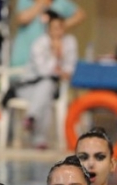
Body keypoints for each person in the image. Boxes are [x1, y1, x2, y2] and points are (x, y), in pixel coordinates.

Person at [9, 10, 77, 150]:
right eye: (55, 28)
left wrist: (61, 65)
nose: (58, 32)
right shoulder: (39, 43)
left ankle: (31, 118)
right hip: (29, 86)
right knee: (45, 88)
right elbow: (44, 71)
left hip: (50, 88)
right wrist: (55, 55)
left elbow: (70, 69)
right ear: (48, 29)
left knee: (46, 89)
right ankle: (39, 139)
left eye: (61, 28)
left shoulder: (70, 43)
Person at [10, 0, 84, 68]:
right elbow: (22, 19)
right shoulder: (26, 1)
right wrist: (41, 3)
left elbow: (80, 15)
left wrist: (59, 26)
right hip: (24, 58)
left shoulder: (60, 3)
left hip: (47, 62)